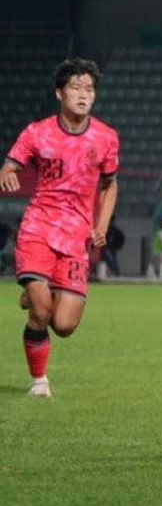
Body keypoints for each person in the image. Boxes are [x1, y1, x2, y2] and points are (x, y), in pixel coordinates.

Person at [0, 58, 120, 398]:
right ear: (59, 93)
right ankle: (39, 381)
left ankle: (34, 290)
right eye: (75, 87)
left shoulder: (106, 138)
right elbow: (10, 165)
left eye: (89, 89)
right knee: (41, 312)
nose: (83, 95)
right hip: (38, 227)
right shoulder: (37, 132)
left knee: (64, 325)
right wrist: (8, 172)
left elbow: (110, 184)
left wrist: (102, 224)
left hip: (77, 236)